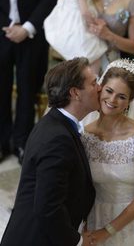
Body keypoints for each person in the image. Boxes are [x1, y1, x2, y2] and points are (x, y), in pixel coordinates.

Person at [0, 57, 100, 246]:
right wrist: (77, 241)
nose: (100, 88)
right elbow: (48, 207)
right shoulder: (58, 138)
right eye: (94, 83)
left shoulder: (55, 124)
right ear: (75, 93)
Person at [81, 58, 134, 246]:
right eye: (109, 91)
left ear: (129, 102)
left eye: (121, 96)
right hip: (94, 217)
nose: (112, 100)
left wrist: (107, 231)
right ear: (100, 88)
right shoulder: (85, 135)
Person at [0, 0, 57, 163]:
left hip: (33, 34)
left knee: (28, 89)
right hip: (2, 30)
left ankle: (22, 142)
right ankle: (2, 142)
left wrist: (27, 28)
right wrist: (8, 26)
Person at [44, 0, 108, 74]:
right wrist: (93, 23)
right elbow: (85, 12)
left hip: (66, 21)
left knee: (84, 54)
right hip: (79, 23)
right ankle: (95, 79)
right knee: (93, 52)